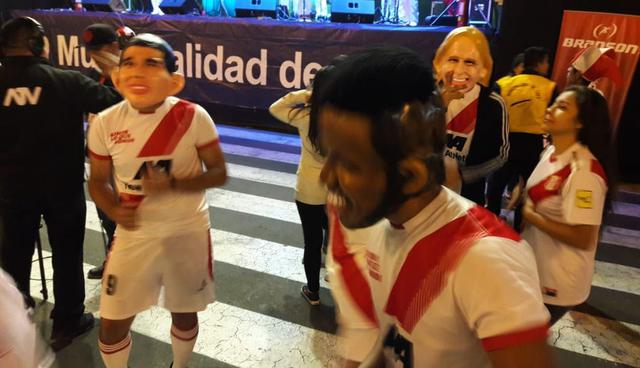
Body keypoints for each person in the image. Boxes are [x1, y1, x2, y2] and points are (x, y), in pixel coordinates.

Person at [317, 46, 554, 367]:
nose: (327, 177)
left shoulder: (487, 260)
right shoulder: (377, 224)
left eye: (350, 164)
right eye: (329, 155)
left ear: (412, 177)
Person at [88, 33, 227, 368]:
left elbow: (218, 172)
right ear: (117, 77)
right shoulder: (104, 122)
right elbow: (97, 181)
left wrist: (175, 183)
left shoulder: (194, 117)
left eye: (151, 64)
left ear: (175, 81)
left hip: (187, 230)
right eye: (129, 63)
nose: (138, 72)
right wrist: (113, 208)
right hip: (134, 235)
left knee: (183, 313)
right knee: (111, 322)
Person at [0, 16, 121, 351]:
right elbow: (115, 101)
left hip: (12, 189)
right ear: (38, 45)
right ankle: (67, 321)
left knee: (12, 256)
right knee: (67, 254)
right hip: (62, 186)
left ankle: (14, 317)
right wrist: (112, 66)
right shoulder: (65, 81)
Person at [522, 86, 613, 325]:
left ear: (580, 123)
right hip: (534, 269)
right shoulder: (551, 150)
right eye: (554, 104)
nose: (550, 110)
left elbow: (583, 236)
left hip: (557, 282)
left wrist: (530, 215)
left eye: (562, 107)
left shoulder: (584, 173)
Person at [269, 56, 344, 305]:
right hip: (337, 190)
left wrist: (306, 95)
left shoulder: (305, 117)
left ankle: (313, 292)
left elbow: (275, 107)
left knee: (310, 243)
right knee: (335, 238)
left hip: (308, 191)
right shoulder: (347, 119)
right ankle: (339, 283)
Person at [80, 23, 134, 280]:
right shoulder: (90, 78)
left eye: (100, 49)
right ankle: (113, 258)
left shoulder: (131, 75)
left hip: (128, 157)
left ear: (114, 47)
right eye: (92, 50)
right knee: (106, 212)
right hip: (100, 156)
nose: (94, 54)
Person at [433, 26, 509, 205]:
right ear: (439, 63)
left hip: (467, 197)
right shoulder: (426, 96)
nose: (459, 70)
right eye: (453, 59)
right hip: (425, 192)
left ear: (483, 69)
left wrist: (464, 175)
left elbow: (502, 153)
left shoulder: (493, 103)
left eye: (470, 62)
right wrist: (438, 107)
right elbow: (408, 139)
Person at [487, 47, 556, 229]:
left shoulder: (503, 83)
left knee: (495, 186)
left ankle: (491, 224)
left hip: (505, 143)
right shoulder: (549, 87)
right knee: (529, 189)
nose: (547, 66)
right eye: (546, 62)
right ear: (540, 63)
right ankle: (519, 228)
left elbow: (491, 114)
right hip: (533, 146)